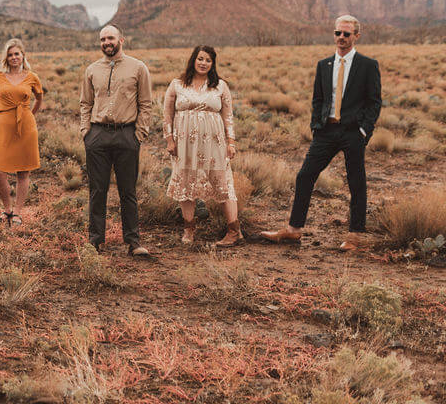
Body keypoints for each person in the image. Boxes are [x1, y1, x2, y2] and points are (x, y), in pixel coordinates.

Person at [261, 15, 382, 251]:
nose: (341, 38)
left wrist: (363, 131)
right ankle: (294, 229)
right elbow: (318, 98)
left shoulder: (368, 65)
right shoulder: (324, 64)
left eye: (346, 34)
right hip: (326, 131)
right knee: (305, 176)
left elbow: (374, 102)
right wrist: (316, 125)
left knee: (356, 182)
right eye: (338, 33)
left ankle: (355, 235)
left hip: (352, 133)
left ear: (356, 36)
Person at [79, 25, 152, 257]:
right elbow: (85, 103)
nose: (106, 42)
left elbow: (146, 104)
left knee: (127, 191)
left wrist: (139, 134)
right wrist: (85, 131)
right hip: (98, 134)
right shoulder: (92, 69)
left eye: (110, 38)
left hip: (126, 134)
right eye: (102, 39)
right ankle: (95, 241)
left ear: (121, 39)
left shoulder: (138, 68)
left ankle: (133, 242)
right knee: (97, 190)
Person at [163, 46, 241, 247]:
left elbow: (228, 116)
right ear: (193, 60)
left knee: (222, 181)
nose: (203, 63)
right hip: (184, 143)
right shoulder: (177, 84)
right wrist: (169, 139)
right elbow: (167, 114)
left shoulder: (220, 86)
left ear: (213, 64)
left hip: (214, 143)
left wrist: (231, 142)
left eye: (208, 60)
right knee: (185, 182)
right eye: (200, 58)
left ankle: (234, 231)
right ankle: (189, 229)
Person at [0, 38, 44, 225]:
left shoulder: (32, 76)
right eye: (10, 55)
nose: (13, 57)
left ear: (22, 55)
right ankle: (7, 210)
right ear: (6, 57)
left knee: (23, 172)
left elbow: (39, 98)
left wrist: (30, 115)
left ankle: (17, 212)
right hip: (3, 125)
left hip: (25, 126)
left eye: (16, 54)